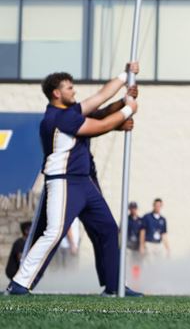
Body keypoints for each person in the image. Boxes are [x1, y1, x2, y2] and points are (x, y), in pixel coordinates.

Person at [6, 64, 140, 296]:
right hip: (64, 181)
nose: (74, 91)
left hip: (84, 182)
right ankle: (19, 283)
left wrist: (125, 76)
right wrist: (127, 111)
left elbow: (100, 98)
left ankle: (114, 286)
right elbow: (99, 126)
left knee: (107, 228)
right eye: (69, 88)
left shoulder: (71, 112)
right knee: (54, 232)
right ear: (56, 93)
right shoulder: (58, 118)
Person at [140, 198, 169, 262]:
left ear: (161, 206)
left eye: (159, 206)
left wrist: (167, 248)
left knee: (159, 263)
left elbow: (164, 234)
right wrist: (141, 245)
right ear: (153, 205)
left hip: (158, 245)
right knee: (149, 262)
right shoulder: (147, 217)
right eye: (156, 205)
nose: (158, 207)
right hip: (149, 244)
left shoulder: (163, 219)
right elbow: (142, 232)